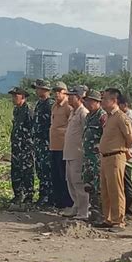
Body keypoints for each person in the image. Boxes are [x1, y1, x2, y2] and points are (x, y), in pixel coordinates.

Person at [96, 88, 132, 232]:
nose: (102, 102)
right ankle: (109, 218)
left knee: (116, 189)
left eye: (105, 99)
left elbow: (131, 139)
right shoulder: (109, 117)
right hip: (105, 157)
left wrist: (125, 149)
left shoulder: (121, 117)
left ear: (114, 101)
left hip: (116, 156)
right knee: (105, 189)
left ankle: (119, 221)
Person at [62, 85, 90, 219]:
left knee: (78, 182)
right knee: (70, 181)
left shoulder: (83, 113)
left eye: (71, 96)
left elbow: (86, 132)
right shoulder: (73, 112)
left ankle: (83, 211)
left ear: (78, 98)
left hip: (78, 153)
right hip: (69, 152)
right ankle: (76, 205)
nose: (68, 98)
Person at [82, 90, 107, 222]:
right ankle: (93, 212)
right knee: (89, 185)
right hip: (88, 156)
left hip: (97, 158)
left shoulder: (102, 116)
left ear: (98, 102)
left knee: (98, 186)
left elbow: (106, 134)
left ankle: (100, 214)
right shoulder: (89, 116)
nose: (88, 103)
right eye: (87, 100)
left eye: (91, 101)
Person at [8, 86, 35, 209]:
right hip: (16, 146)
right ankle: (18, 194)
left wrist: (29, 144)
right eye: (12, 96)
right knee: (16, 171)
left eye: (15, 96)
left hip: (26, 147)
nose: (13, 98)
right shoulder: (16, 110)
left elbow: (32, 128)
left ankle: (28, 196)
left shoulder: (28, 110)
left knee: (27, 171)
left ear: (22, 97)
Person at [50, 81, 73, 210]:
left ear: (65, 92)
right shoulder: (54, 106)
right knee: (56, 175)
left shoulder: (68, 107)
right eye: (56, 91)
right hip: (54, 145)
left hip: (64, 146)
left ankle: (67, 202)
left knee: (64, 175)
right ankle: (58, 201)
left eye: (60, 91)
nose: (57, 94)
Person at [31, 79, 54, 208]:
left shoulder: (50, 104)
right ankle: (43, 195)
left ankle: (47, 197)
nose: (36, 91)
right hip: (38, 142)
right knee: (40, 169)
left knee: (46, 170)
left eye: (38, 88)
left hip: (47, 142)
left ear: (45, 90)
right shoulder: (39, 104)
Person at [118, 94, 132, 216]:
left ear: (124, 105)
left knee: (128, 182)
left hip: (127, 155)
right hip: (124, 155)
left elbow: (130, 139)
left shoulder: (129, 118)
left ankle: (130, 209)